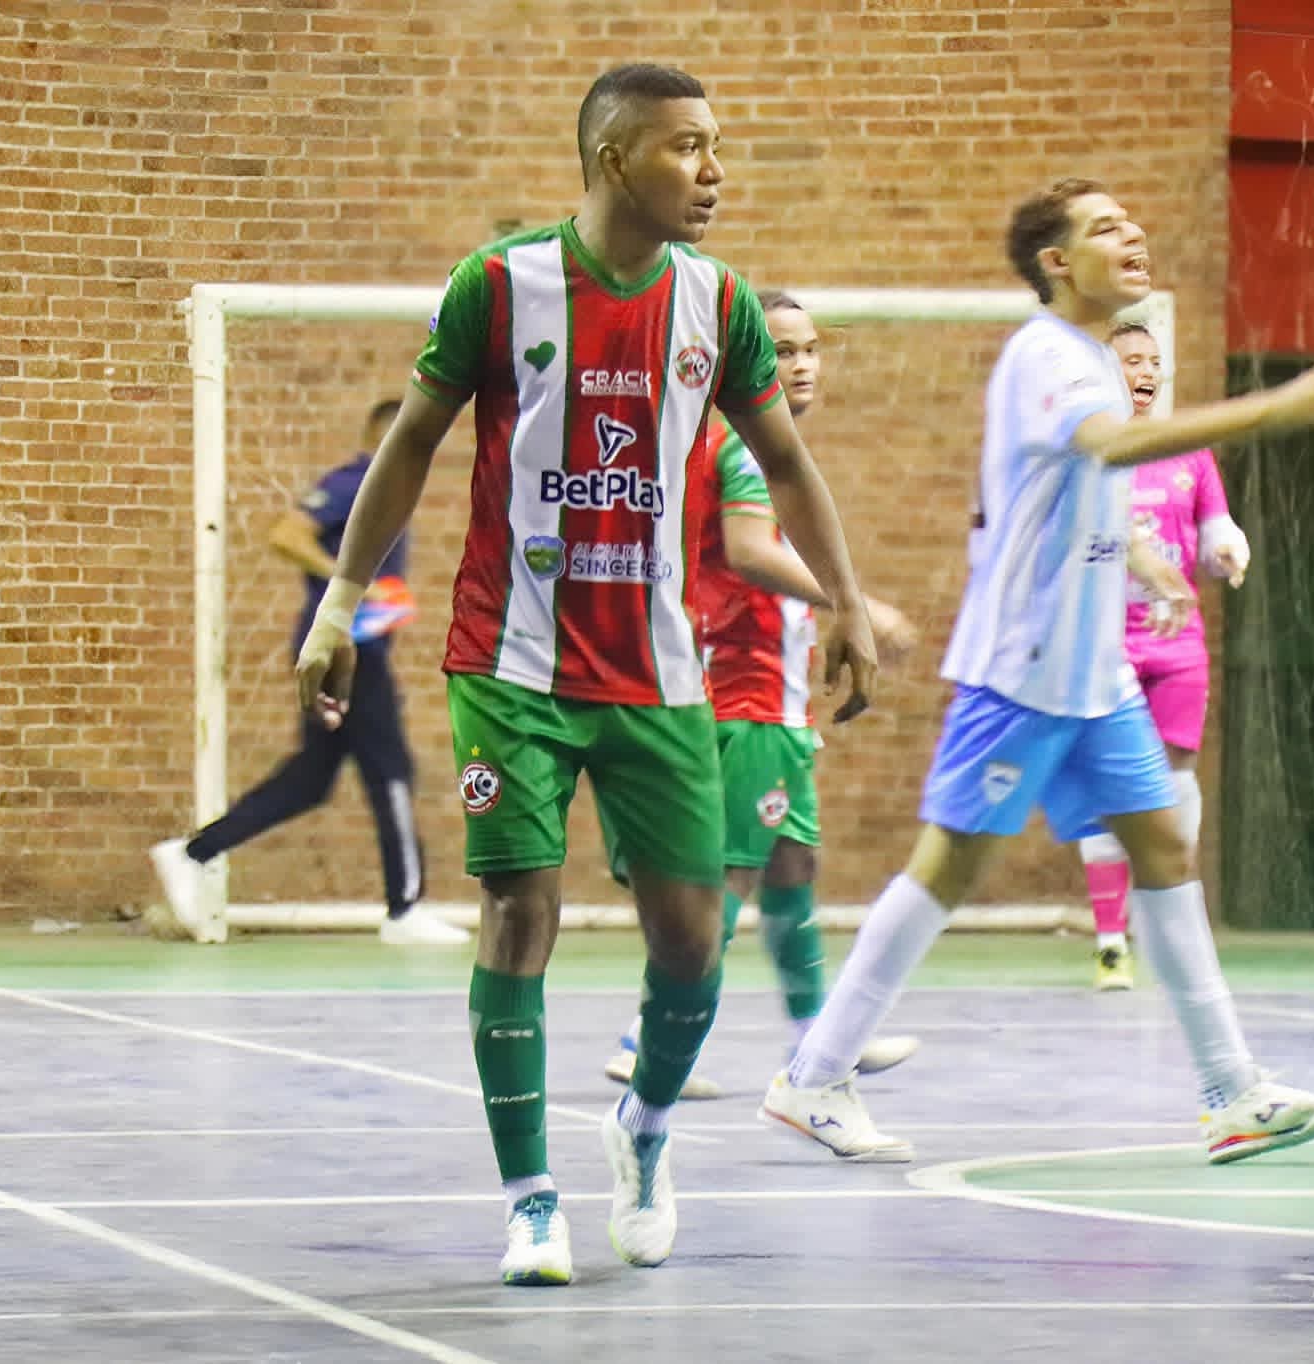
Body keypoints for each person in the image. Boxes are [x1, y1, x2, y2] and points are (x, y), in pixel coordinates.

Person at [293, 64, 881, 1285]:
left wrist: (848, 607)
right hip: (506, 662)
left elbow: (787, 459)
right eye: (688, 148)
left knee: (690, 941)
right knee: (520, 911)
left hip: (659, 676)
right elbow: (409, 440)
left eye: (716, 147)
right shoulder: (500, 284)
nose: (713, 171)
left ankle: (644, 1134)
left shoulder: (718, 304)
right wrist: (339, 603)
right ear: (616, 157)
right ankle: (528, 1201)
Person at [757, 177, 1314, 1167]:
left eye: (1131, 222)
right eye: (1104, 228)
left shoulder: (1089, 354)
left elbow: (1089, 497)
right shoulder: (1046, 354)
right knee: (948, 865)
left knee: (1166, 852)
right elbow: (1110, 445)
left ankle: (1231, 1091)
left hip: (1095, 677)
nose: (1130, 233)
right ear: (1056, 262)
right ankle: (812, 1075)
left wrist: (1148, 565)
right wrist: (1284, 402)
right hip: (1023, 667)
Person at [601, 290, 921, 1099]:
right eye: (781, 350)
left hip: (768, 704)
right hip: (743, 701)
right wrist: (857, 604)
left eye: (810, 348)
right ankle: (650, 1038)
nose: (802, 363)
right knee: (728, 882)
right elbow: (746, 553)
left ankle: (822, 1036)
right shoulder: (741, 451)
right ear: (743, 362)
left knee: (790, 866)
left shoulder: (736, 452)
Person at [152, 400, 466, 947]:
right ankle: (404, 908)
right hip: (349, 653)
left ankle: (192, 853)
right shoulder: (361, 481)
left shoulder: (380, 486)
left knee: (310, 780)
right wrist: (352, 580)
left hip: (351, 649)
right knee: (391, 770)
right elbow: (287, 534)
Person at [1082, 323, 1251, 990]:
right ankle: (1108, 940)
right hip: (1105, 641)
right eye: (1131, 360)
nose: (1146, 370)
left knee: (1176, 774)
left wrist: (1228, 550)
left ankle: (1171, 926)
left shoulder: (1190, 454)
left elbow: (1215, 531)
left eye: (1155, 361)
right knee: (1110, 780)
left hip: (1178, 644)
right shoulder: (1096, 451)